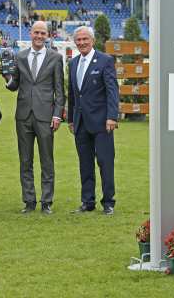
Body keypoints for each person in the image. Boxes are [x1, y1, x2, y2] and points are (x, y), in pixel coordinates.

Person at [4, 21, 66, 214]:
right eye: (36, 32)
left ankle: (46, 202)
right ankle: (29, 201)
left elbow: (59, 91)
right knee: (25, 161)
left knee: (47, 161)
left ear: (48, 35)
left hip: (46, 117)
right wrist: (7, 80)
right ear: (30, 34)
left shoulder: (55, 58)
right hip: (23, 116)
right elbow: (15, 85)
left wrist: (57, 115)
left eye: (42, 33)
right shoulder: (20, 57)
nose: (39, 36)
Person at [67, 26, 119, 215]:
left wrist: (112, 116)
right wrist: (71, 119)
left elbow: (112, 90)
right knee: (85, 164)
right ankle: (87, 202)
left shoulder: (105, 60)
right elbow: (72, 94)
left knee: (105, 162)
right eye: (78, 40)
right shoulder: (72, 63)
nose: (81, 43)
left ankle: (108, 202)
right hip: (80, 123)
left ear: (92, 40)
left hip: (102, 122)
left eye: (85, 39)